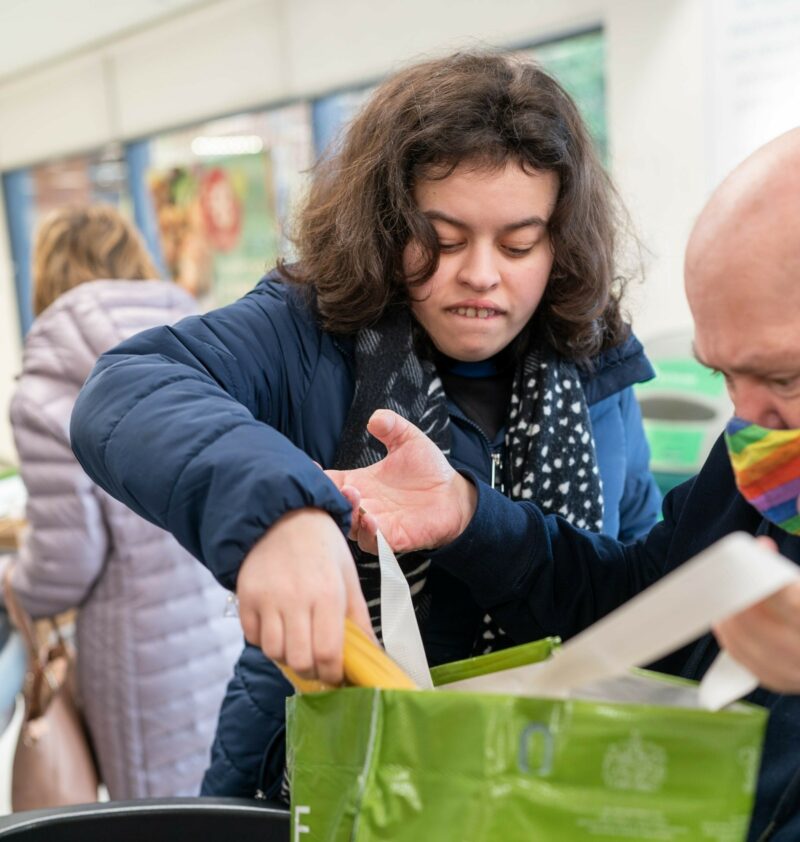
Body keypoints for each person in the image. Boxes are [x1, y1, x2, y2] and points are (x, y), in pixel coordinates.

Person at [69, 53, 660, 799]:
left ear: (560, 242)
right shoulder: (311, 333)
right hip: (324, 777)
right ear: (387, 222)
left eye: (517, 244)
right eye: (442, 238)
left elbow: (632, 573)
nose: (481, 273)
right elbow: (129, 389)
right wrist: (284, 513)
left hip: (545, 783)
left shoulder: (597, 367)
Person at [326, 128, 800, 841]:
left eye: (784, 377)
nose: (747, 414)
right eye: (722, 374)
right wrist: (467, 516)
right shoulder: (760, 452)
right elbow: (643, 603)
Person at [0, 206, 242, 800]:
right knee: (236, 799)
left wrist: (13, 582)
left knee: (162, 819)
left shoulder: (51, 381)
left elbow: (68, 560)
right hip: (229, 625)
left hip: (140, 656)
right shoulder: (199, 339)